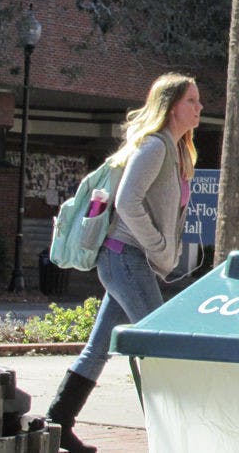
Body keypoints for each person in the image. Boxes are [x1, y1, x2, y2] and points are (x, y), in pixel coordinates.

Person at [46, 73, 201, 453]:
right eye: (191, 101)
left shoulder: (179, 150)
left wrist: (162, 250)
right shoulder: (155, 147)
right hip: (124, 256)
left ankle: (57, 422)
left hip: (133, 261)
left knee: (98, 348)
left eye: (199, 102)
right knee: (156, 344)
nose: (199, 108)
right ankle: (174, 431)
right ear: (170, 106)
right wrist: (158, 244)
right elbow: (127, 202)